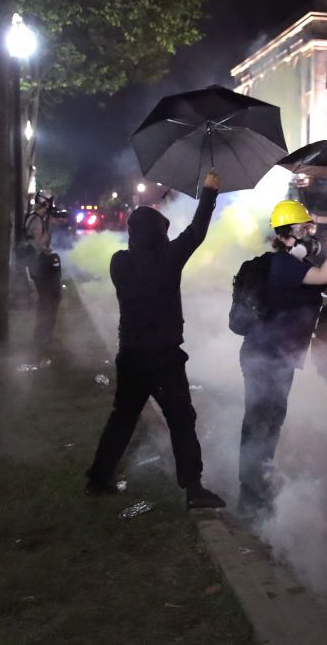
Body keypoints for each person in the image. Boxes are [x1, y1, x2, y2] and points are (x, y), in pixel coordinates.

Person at [85, 170, 225, 509]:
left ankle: (98, 478)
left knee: (122, 417)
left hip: (130, 355)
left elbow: (162, 240)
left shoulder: (120, 262)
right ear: (160, 235)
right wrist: (209, 191)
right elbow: (197, 231)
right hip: (164, 359)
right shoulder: (168, 259)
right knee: (181, 420)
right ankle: (193, 488)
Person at [237, 200, 327, 516]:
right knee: (260, 427)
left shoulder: (295, 266)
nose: (310, 234)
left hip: (277, 359)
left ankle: (258, 490)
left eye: (311, 228)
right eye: (305, 229)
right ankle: (250, 500)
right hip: (265, 359)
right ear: (289, 234)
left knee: (268, 425)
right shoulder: (283, 266)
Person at [23, 190, 62, 363]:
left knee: (50, 298)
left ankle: (45, 335)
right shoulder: (36, 220)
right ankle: (41, 337)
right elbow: (39, 243)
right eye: (49, 203)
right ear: (45, 203)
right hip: (39, 265)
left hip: (39, 264)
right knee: (48, 299)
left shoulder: (37, 219)